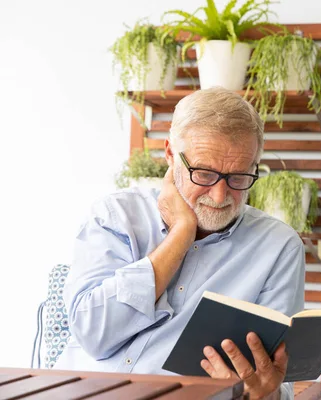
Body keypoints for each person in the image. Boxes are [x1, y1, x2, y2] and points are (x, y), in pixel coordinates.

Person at [54, 87, 306, 400]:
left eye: (239, 177)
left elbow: (277, 383)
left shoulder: (279, 247)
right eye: (204, 174)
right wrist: (181, 234)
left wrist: (258, 394)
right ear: (171, 154)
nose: (220, 196)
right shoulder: (115, 216)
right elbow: (93, 334)